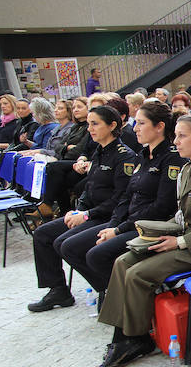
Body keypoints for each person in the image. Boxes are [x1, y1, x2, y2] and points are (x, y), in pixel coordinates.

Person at [95, 115, 191, 367]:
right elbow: (181, 216)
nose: (176, 141)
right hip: (182, 238)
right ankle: (123, 335)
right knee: (123, 261)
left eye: (182, 136)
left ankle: (135, 338)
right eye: (176, 135)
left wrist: (179, 242)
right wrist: (157, 233)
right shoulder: (186, 170)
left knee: (138, 273)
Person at [58, 101, 184, 302]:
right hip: (129, 221)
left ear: (159, 126)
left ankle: (123, 300)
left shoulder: (171, 159)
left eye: (141, 123)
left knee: (95, 255)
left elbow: (161, 207)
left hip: (152, 226)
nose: (135, 128)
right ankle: (115, 297)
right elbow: (126, 196)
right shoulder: (144, 155)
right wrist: (113, 225)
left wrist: (118, 230)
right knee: (71, 246)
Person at [27, 106, 137, 312]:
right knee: (42, 234)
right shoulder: (99, 151)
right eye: (88, 124)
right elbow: (89, 187)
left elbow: (120, 200)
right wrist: (78, 209)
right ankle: (58, 289)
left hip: (108, 217)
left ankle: (108, 288)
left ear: (113, 125)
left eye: (95, 124)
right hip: (91, 213)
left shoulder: (124, 156)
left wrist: (87, 214)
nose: (89, 129)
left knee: (65, 244)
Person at [39, 97, 93, 215]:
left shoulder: (88, 128)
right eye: (74, 107)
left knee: (54, 169)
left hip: (79, 162)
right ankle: (59, 211)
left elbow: (78, 150)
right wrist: (67, 147)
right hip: (70, 162)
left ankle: (53, 208)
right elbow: (57, 147)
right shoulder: (75, 127)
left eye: (79, 107)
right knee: (56, 174)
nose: (75, 110)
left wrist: (66, 147)